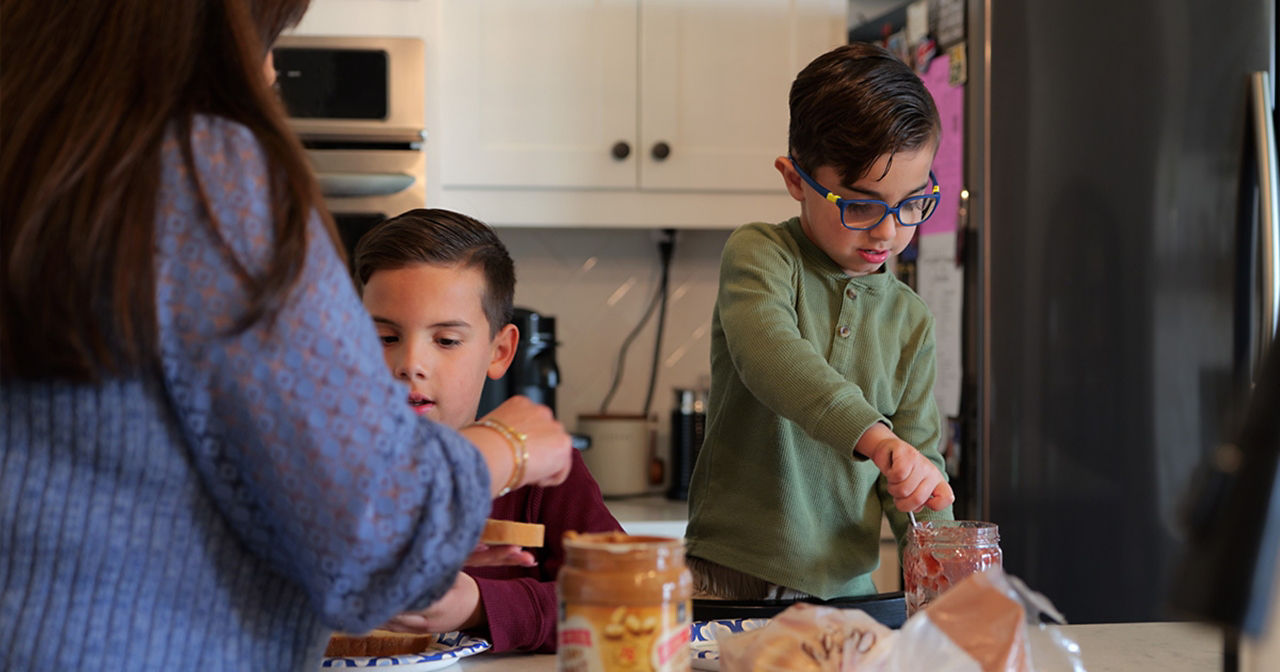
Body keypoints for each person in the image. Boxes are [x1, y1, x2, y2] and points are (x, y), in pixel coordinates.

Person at [0, 1, 571, 670]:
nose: (273, 71)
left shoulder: (31, 164)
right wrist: (506, 445)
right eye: (266, 34)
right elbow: (369, 533)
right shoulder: (203, 173)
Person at [684, 42, 956, 602]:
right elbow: (771, 356)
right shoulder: (761, 254)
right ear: (795, 179)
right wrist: (878, 439)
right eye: (861, 205)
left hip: (845, 595)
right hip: (727, 579)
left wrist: (948, 567)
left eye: (912, 203)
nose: (888, 232)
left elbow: (919, 462)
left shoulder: (910, 320)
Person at [349, 208, 624, 653]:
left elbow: (624, 597)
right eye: (385, 337)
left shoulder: (541, 474)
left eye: (446, 340)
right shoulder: (317, 467)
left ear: (500, 351)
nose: (410, 364)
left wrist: (478, 604)